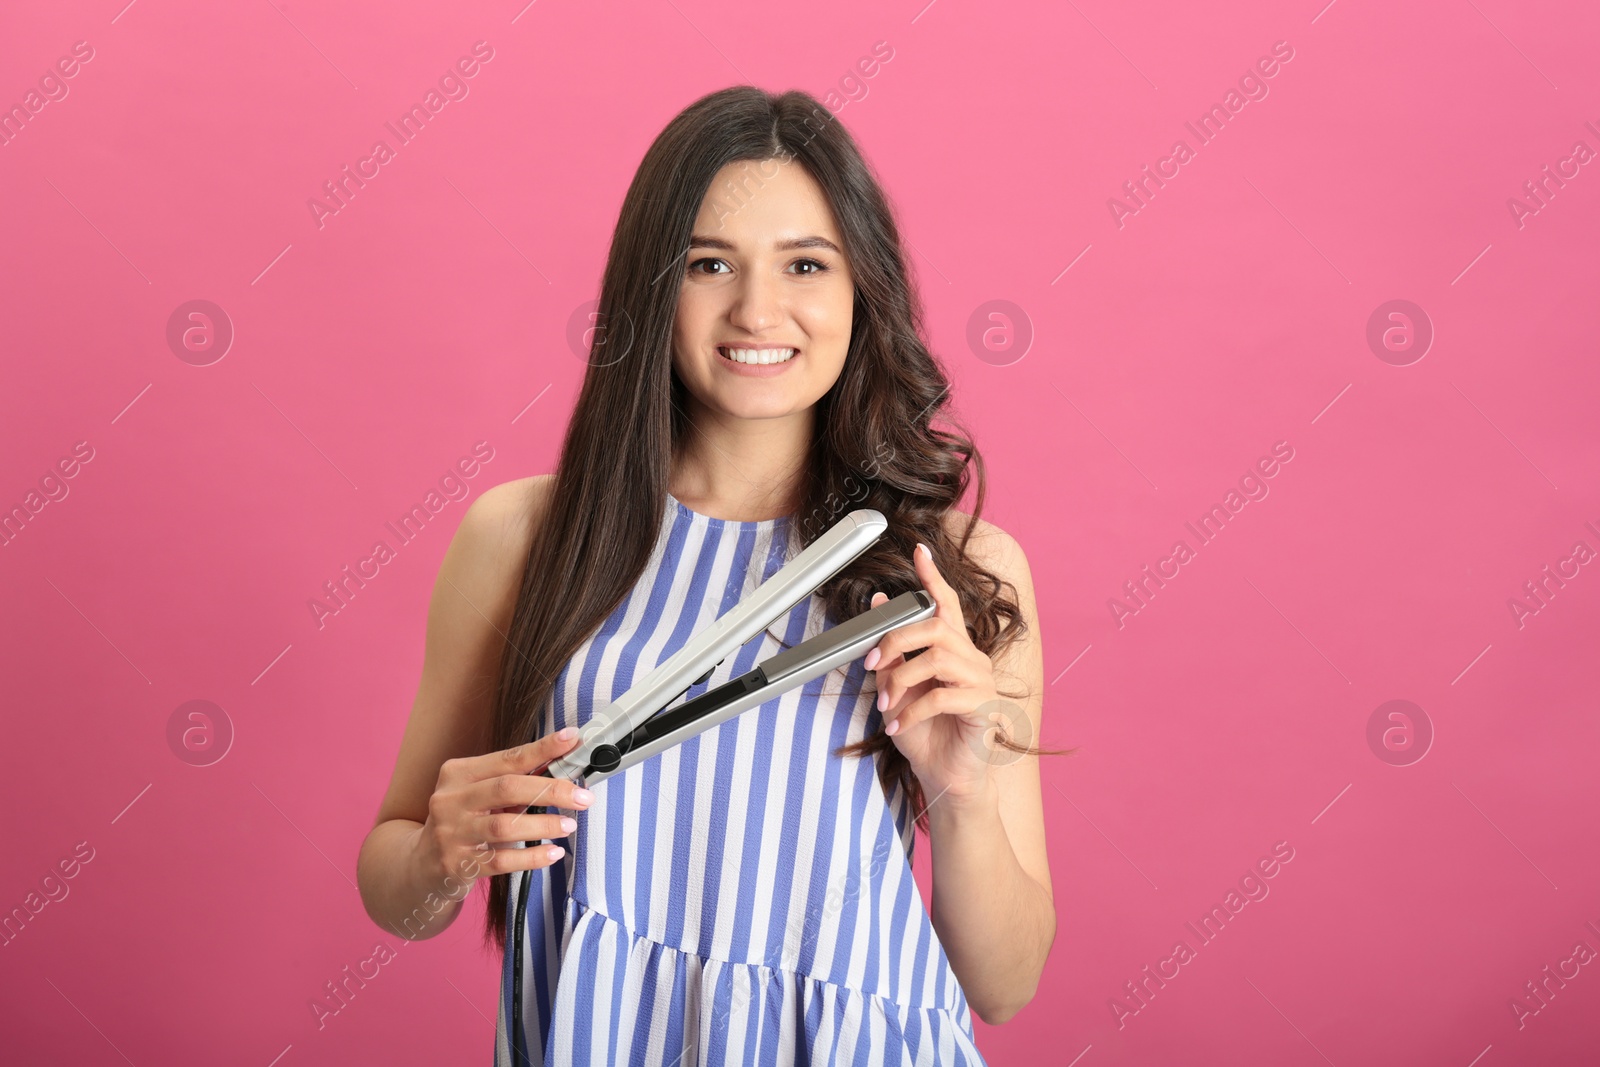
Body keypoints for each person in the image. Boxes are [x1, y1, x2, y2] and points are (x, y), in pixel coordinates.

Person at [356, 85, 1059, 1066]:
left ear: (863, 289)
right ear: (653, 287)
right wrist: (439, 850)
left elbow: (1005, 981)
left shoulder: (957, 569)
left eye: (805, 264)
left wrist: (963, 790)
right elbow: (393, 880)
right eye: (709, 264)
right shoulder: (522, 535)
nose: (757, 310)